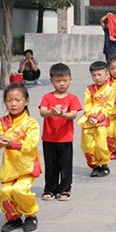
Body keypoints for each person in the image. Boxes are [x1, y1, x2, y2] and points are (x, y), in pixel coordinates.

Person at [0, 83, 41, 232]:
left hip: (26, 166)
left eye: (17, 100)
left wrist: (13, 143)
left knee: (20, 190)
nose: (13, 104)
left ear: (26, 101)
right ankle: (13, 218)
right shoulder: (2, 122)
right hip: (9, 167)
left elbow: (31, 143)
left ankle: (31, 214)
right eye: (9, 100)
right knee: (5, 193)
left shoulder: (30, 123)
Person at [38, 63, 82, 201]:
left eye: (65, 80)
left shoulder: (72, 98)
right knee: (50, 164)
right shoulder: (47, 97)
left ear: (70, 80)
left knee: (65, 165)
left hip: (65, 138)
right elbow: (42, 112)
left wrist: (62, 114)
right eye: (58, 81)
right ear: (51, 81)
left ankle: (64, 188)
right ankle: (50, 188)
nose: (62, 84)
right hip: (49, 137)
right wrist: (52, 111)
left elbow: (73, 115)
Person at [77, 61, 115, 177]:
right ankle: (94, 164)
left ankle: (103, 165)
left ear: (107, 74)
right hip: (88, 120)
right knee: (87, 145)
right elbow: (87, 104)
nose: (97, 78)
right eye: (94, 75)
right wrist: (91, 116)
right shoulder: (89, 89)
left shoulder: (110, 90)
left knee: (101, 144)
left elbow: (109, 107)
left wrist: (98, 118)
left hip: (101, 122)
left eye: (100, 75)